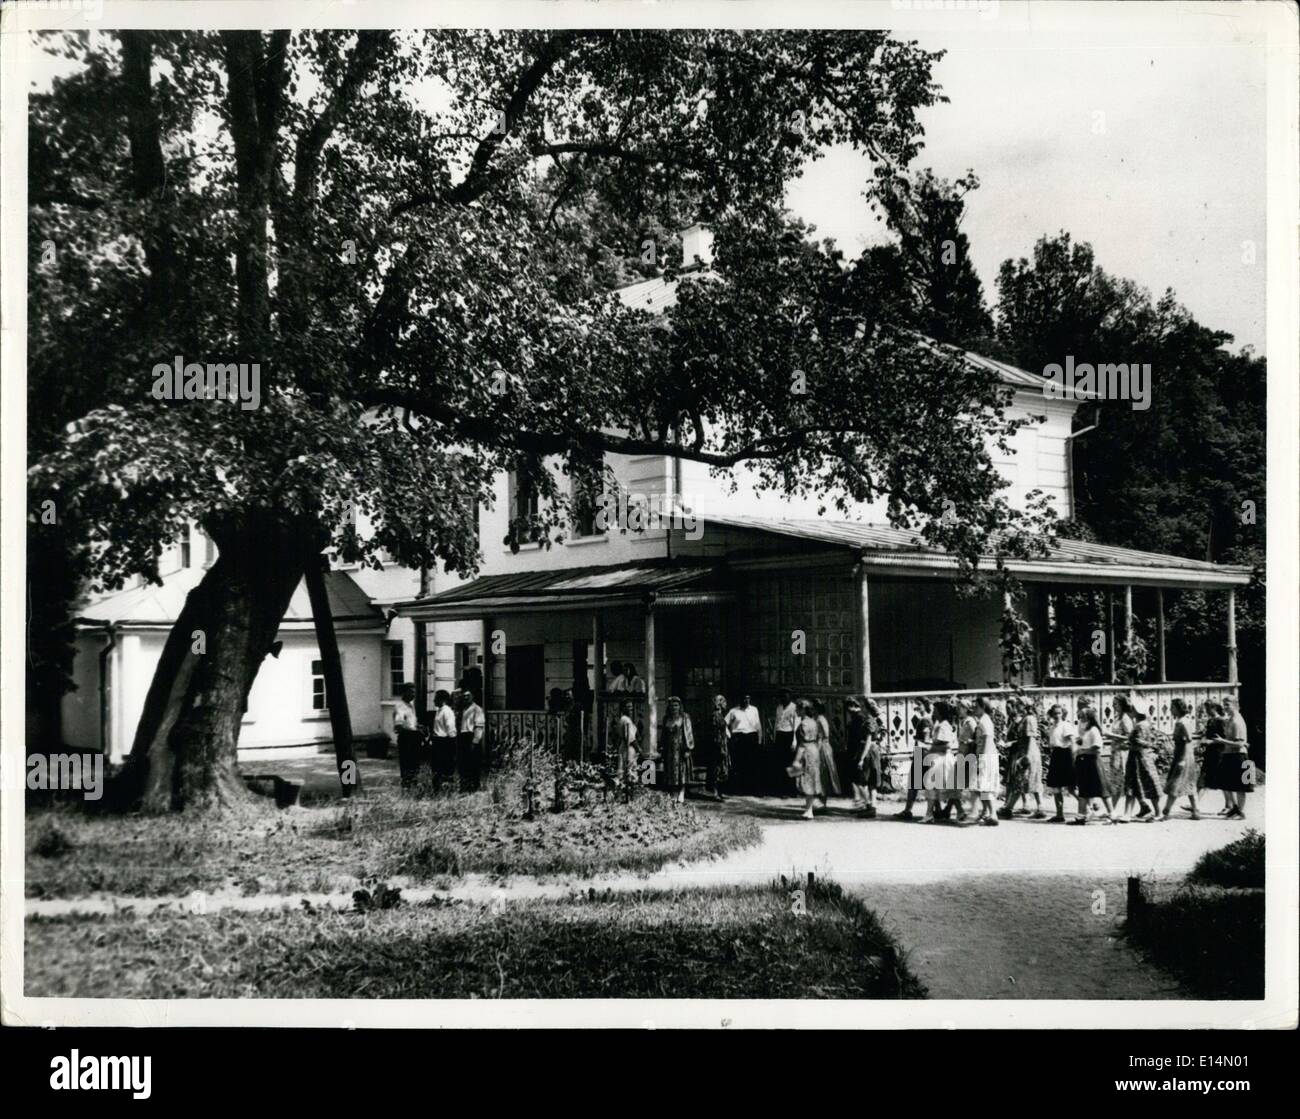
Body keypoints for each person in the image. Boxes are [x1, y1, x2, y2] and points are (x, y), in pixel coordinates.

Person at [1069, 706, 1118, 824]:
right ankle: (1081, 816)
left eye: (1083, 715)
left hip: (1093, 761)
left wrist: (1082, 751)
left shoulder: (1094, 730)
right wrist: (1079, 743)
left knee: (1102, 788)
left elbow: (1097, 748)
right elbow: (1084, 742)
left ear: (1089, 717)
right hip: (1084, 762)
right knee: (1083, 788)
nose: (1080, 717)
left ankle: (1112, 814)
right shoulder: (1085, 729)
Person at [1157, 697, 1200, 821]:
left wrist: (1182, 759)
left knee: (1175, 784)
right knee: (1189, 783)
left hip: (1183, 756)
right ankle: (1195, 811)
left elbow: (1189, 739)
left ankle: (1166, 812)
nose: (1170, 710)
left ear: (1178, 709)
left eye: (1173, 708)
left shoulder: (1181, 722)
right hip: (1186, 756)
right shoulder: (1183, 721)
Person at [1001, 698, 1045, 819]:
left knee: (1022, 780)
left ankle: (1009, 808)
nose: (1017, 706)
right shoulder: (1026, 718)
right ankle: (1039, 807)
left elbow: (1030, 739)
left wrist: (1026, 757)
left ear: (1024, 706)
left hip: (1029, 753)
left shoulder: (1029, 719)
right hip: (1025, 752)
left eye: (1019, 704)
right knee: (1026, 780)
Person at [1120, 701, 1162, 822]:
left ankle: (1129, 813)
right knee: (1146, 783)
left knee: (1133, 784)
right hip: (1142, 757)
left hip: (1138, 757)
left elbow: (1139, 741)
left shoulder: (1140, 725)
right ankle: (1156, 812)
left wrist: (1129, 744)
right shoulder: (1145, 724)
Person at [923, 700, 959, 823]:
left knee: (933, 784)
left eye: (936, 711)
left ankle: (930, 814)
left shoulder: (944, 725)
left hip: (942, 759)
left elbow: (946, 745)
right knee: (936, 786)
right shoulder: (940, 724)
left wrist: (930, 750)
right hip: (938, 758)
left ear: (941, 712)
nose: (934, 712)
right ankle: (935, 812)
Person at [1216, 698, 1252, 820]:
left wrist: (1221, 741)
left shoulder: (1237, 721)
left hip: (1239, 756)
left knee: (1241, 786)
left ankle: (1241, 812)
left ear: (1235, 705)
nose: (1225, 707)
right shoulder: (1230, 719)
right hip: (1229, 755)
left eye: (1227, 705)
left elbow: (1240, 744)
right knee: (1226, 783)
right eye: (1224, 705)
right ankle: (1234, 808)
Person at [897, 698, 931, 819]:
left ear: (925, 705)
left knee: (919, 783)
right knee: (917, 783)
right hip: (921, 752)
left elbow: (926, 738)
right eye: (915, 704)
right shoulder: (923, 719)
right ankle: (908, 810)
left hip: (922, 753)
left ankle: (911, 810)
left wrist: (918, 750)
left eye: (919, 704)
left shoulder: (926, 720)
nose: (916, 706)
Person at [1043, 704, 1078, 822]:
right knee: (1056, 786)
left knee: (1071, 787)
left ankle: (1088, 807)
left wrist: (1074, 757)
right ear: (1052, 714)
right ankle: (1059, 814)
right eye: (1055, 713)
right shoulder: (1052, 727)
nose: (1057, 715)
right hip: (1056, 755)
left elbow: (1072, 741)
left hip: (1066, 755)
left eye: (1059, 713)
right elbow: (1051, 743)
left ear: (1062, 713)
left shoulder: (1066, 726)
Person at [789, 700, 823, 819]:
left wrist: (796, 759)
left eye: (798, 709)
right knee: (811, 778)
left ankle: (809, 810)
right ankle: (809, 809)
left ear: (803, 709)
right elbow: (819, 738)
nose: (796, 711)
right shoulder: (814, 722)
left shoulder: (803, 724)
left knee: (807, 779)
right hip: (814, 750)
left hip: (806, 751)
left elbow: (802, 744)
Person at [847, 697, 879, 816]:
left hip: (868, 751)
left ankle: (869, 806)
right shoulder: (870, 719)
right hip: (873, 751)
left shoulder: (868, 721)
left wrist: (861, 758)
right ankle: (870, 806)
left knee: (862, 779)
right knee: (871, 780)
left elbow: (868, 741)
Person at [971, 696, 1000, 825]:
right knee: (981, 787)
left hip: (986, 756)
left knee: (986, 786)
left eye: (976, 707)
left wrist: (982, 758)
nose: (974, 709)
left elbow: (988, 740)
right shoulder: (982, 720)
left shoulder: (985, 721)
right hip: (984, 755)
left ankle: (993, 814)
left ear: (983, 707)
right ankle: (986, 812)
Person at [725, 693, 762, 793]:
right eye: (744, 698)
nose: (746, 701)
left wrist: (759, 740)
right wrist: (729, 735)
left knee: (752, 764)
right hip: (739, 738)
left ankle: (752, 789)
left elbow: (758, 726)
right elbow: (724, 723)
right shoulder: (733, 711)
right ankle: (738, 790)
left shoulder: (754, 710)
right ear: (740, 699)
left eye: (748, 698)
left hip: (751, 737)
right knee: (739, 764)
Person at [1198, 700, 1230, 815]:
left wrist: (1210, 742)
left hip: (1218, 753)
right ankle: (1195, 804)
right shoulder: (1210, 720)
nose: (1206, 711)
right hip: (1209, 753)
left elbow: (1224, 739)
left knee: (1221, 779)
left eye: (1208, 709)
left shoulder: (1221, 721)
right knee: (1203, 777)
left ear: (1214, 709)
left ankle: (1228, 805)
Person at [660, 696, 694, 803]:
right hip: (669, 749)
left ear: (680, 706)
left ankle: (682, 791)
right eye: (672, 706)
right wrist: (661, 746)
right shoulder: (666, 718)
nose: (674, 708)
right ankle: (674, 791)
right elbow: (663, 735)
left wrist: (688, 749)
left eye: (676, 705)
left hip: (680, 748)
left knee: (681, 770)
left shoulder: (684, 718)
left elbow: (689, 733)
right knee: (671, 770)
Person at [1107, 696, 1137, 814]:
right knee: (1116, 782)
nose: (1113, 706)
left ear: (1122, 705)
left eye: (1116, 704)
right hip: (1115, 752)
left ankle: (1135, 809)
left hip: (1123, 753)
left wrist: (1112, 736)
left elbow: (1130, 737)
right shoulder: (1117, 718)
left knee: (1124, 781)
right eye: (1113, 703)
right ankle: (1112, 810)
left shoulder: (1125, 719)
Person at [393, 683, 424, 790]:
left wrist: (419, 727)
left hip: (413, 737)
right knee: (406, 763)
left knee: (414, 763)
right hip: (406, 738)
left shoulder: (411, 706)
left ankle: (413, 785)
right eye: (411, 692)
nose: (413, 694)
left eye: (414, 692)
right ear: (405, 692)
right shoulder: (400, 706)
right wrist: (413, 731)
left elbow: (411, 723)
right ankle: (406, 786)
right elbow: (399, 725)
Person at [812, 699, 841, 806]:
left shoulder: (820, 719)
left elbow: (824, 736)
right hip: (821, 746)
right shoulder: (818, 719)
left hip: (822, 748)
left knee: (823, 774)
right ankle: (821, 801)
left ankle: (823, 801)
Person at [457, 687, 485, 792]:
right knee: (462, 763)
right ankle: (464, 786)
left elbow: (479, 726)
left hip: (471, 737)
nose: (465, 698)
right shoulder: (462, 709)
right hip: (462, 737)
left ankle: (474, 787)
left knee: (473, 763)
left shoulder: (477, 709)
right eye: (464, 696)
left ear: (472, 697)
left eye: (468, 696)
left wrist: (475, 741)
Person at [430, 688, 458, 792]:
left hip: (445, 742)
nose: (434, 701)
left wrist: (451, 745)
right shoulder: (438, 711)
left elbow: (450, 729)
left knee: (445, 768)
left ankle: (446, 791)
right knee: (436, 768)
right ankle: (436, 790)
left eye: (436, 699)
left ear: (443, 700)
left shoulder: (447, 711)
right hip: (437, 742)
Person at [706, 693, 731, 800]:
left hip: (723, 743)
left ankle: (720, 792)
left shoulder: (720, 715)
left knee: (722, 768)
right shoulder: (715, 715)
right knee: (716, 768)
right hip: (717, 745)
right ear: (719, 704)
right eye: (724, 702)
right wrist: (719, 746)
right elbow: (715, 732)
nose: (726, 704)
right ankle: (715, 792)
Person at [773, 691, 799, 792]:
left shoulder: (794, 708)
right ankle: (782, 788)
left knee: (791, 762)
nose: (783, 699)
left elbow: (796, 725)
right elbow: (776, 723)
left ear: (789, 697)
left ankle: (792, 789)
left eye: (785, 696)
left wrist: (794, 741)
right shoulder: (779, 707)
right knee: (780, 763)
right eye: (782, 697)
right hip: (780, 735)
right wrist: (775, 736)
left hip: (789, 735)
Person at [613, 698, 639, 779]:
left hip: (625, 747)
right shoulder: (625, 720)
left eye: (631, 706)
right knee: (629, 769)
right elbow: (630, 738)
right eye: (628, 706)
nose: (631, 709)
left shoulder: (626, 719)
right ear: (623, 708)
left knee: (626, 768)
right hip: (628, 747)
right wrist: (639, 749)